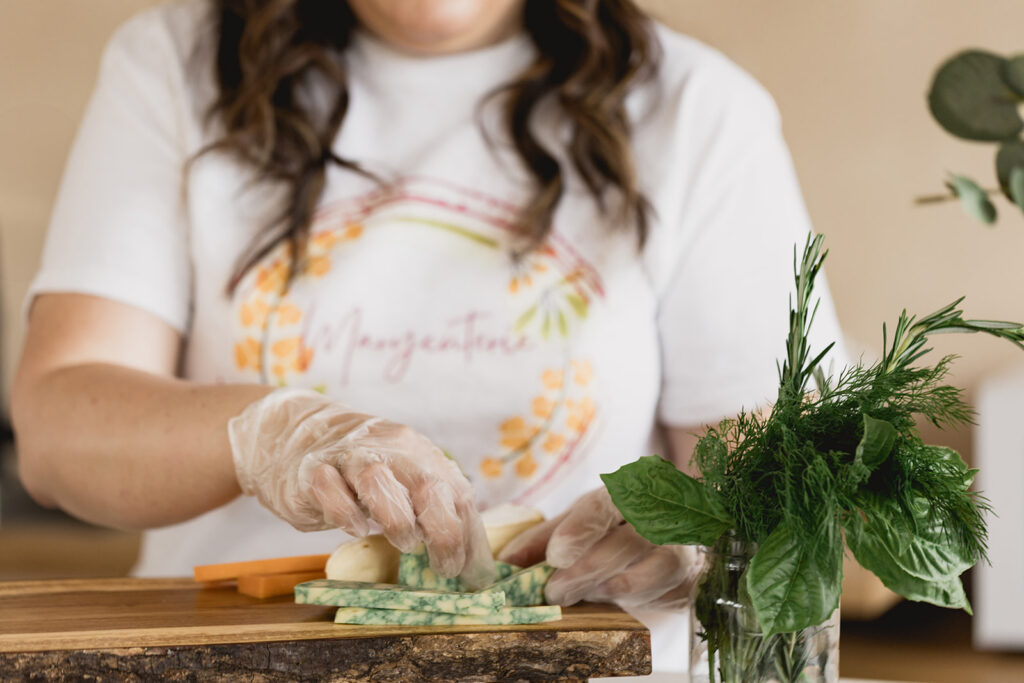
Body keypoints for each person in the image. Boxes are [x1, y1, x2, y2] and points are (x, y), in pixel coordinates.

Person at [12, 0, 845, 672]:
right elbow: (61, 425)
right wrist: (273, 433)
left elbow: (781, 460)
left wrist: (702, 527)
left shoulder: (696, 108)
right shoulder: (174, 65)